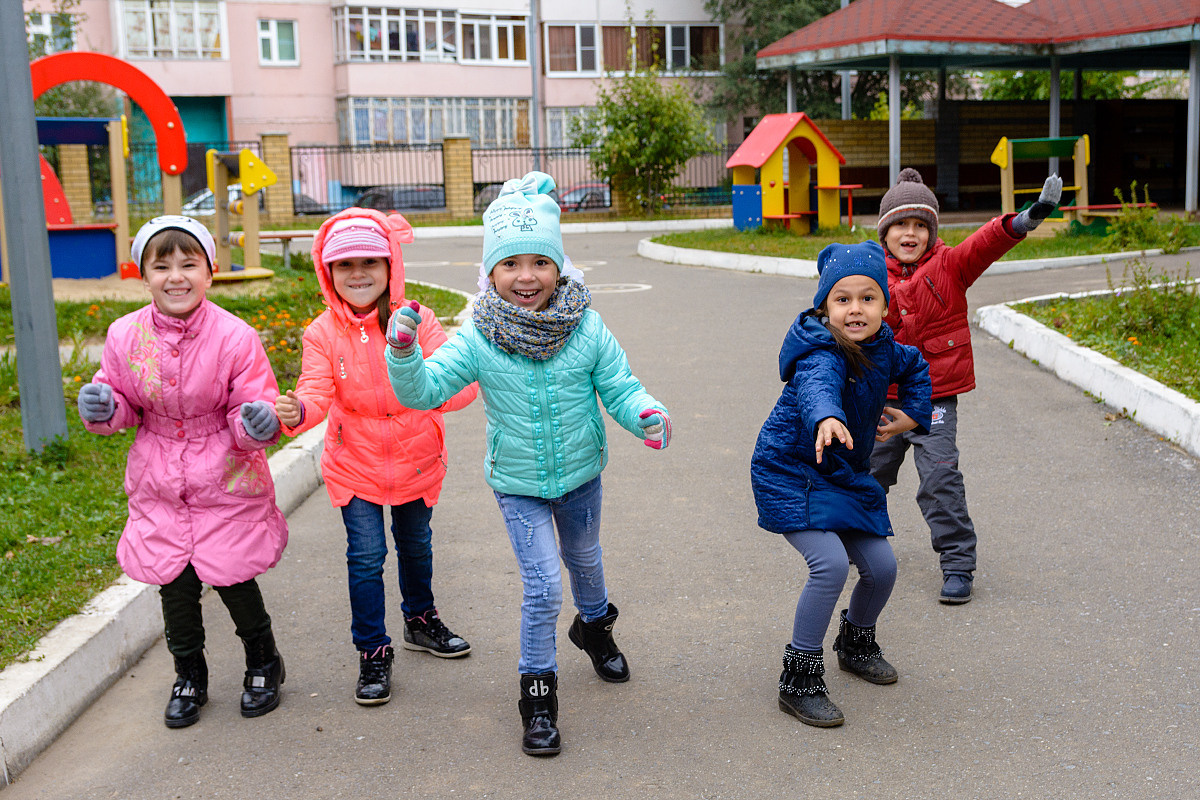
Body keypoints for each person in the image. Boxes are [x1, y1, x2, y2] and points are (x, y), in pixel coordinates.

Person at [384, 171, 671, 756]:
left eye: (540, 261)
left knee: (585, 562)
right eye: (510, 263)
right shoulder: (478, 336)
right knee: (542, 587)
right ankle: (538, 699)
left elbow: (620, 386)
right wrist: (404, 353)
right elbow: (424, 391)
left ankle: (594, 629)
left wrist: (646, 413)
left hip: (581, 475)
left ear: (558, 267)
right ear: (489, 273)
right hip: (517, 484)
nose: (526, 276)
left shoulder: (586, 325)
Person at [77, 215, 288, 729]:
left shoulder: (235, 337)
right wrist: (104, 406)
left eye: (189, 264)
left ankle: (264, 660)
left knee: (233, 575)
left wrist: (256, 421)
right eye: (162, 266)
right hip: (159, 479)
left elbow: (252, 398)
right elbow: (122, 397)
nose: (176, 276)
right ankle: (188, 673)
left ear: (209, 272)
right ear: (144, 275)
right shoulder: (124, 335)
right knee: (173, 583)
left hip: (225, 473)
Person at [273, 209, 478, 706]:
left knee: (416, 546)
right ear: (328, 273)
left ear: (391, 266)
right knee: (366, 558)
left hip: (415, 456)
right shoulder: (322, 332)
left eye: (370, 261)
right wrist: (299, 411)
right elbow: (315, 392)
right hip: (355, 463)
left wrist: (437, 387)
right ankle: (372, 650)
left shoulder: (417, 320)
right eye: (344, 265)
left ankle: (420, 620)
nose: (358, 273)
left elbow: (458, 382)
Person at [751, 241, 931, 728]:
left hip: (842, 474)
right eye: (842, 299)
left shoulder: (886, 347)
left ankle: (855, 644)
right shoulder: (821, 351)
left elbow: (916, 366)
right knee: (829, 565)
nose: (855, 309)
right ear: (824, 308)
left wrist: (912, 415)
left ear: (885, 307)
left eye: (868, 298)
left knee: (883, 568)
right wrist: (826, 416)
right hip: (791, 471)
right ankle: (799, 681)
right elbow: (817, 386)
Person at [869, 168, 1062, 604]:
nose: (911, 233)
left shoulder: (950, 264)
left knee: (939, 478)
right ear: (885, 231)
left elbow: (985, 243)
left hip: (934, 397)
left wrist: (1026, 219)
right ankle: (858, 541)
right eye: (901, 224)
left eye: (921, 225)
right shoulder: (870, 273)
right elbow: (840, 305)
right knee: (867, 473)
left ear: (932, 231)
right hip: (884, 398)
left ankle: (957, 563)